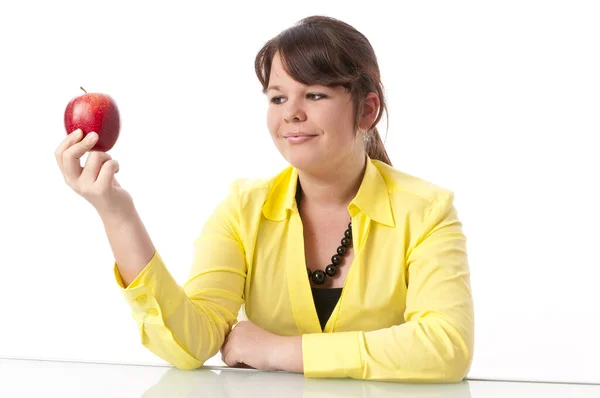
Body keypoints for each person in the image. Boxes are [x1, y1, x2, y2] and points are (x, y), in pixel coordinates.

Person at [54, 15, 474, 382]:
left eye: (314, 94)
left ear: (367, 111)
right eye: (277, 97)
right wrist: (116, 212)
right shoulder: (243, 209)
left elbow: (446, 347)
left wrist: (279, 351)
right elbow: (189, 344)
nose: (290, 112)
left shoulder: (426, 211)